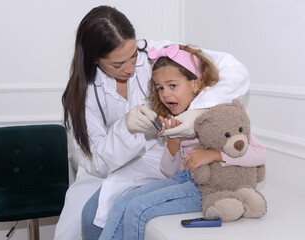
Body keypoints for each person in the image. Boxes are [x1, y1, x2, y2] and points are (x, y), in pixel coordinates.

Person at [54, 5, 251, 240]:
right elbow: (96, 162)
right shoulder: (82, 93)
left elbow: (234, 70)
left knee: (109, 211)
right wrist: (125, 129)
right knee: (84, 218)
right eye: (117, 65)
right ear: (95, 59)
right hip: (112, 166)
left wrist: (195, 113)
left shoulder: (157, 54)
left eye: (133, 56)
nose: (129, 68)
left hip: (162, 158)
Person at [93, 44, 266, 240]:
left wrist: (214, 155)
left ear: (195, 83)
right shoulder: (177, 121)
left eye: (172, 85)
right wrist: (173, 141)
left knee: (138, 208)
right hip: (184, 180)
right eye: (160, 88)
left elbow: (259, 153)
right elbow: (170, 171)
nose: (165, 94)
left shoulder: (218, 114)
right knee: (122, 201)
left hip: (207, 188)